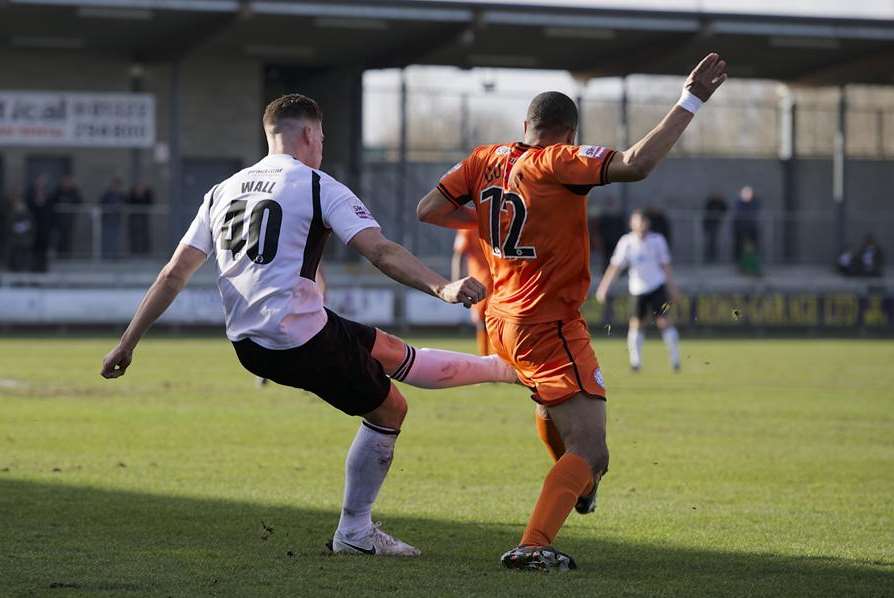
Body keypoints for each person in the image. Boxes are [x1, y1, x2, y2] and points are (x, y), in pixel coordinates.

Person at [100, 94, 518, 558]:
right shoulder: (318, 185)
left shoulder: (223, 190)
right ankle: (355, 533)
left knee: (387, 350)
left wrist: (126, 343)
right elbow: (380, 251)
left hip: (252, 340)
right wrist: (442, 287)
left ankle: (508, 371)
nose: (321, 145)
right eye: (321, 137)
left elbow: (173, 273)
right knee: (389, 411)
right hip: (296, 337)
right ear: (309, 134)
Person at [417, 53, 727, 571]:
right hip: (549, 321)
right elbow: (635, 163)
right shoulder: (555, 160)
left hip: (503, 318)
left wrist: (486, 223)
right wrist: (689, 99)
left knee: (550, 407)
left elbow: (430, 209)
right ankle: (535, 542)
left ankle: (571, 487)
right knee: (593, 451)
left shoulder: (484, 157)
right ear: (567, 133)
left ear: (525, 126)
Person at [595, 210, 682, 372]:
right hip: (637, 289)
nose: (641, 225)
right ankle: (636, 362)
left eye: (643, 222)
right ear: (632, 224)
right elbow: (615, 266)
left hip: (657, 286)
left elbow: (665, 266)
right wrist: (604, 287)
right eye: (637, 222)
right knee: (636, 324)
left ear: (647, 223)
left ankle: (675, 359)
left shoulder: (657, 241)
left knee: (664, 322)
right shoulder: (626, 242)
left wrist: (672, 287)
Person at [452, 228, 494, 355]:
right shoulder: (468, 228)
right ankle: (486, 356)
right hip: (480, 282)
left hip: (501, 281)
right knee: (482, 322)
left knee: (498, 320)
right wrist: (456, 283)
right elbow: (459, 254)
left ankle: (498, 358)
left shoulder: (500, 220)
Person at [25, 174, 54, 272]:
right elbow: (28, 206)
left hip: (44, 226)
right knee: (33, 248)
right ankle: (33, 268)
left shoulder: (48, 194)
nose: (40, 183)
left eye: (42, 182)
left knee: (43, 249)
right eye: (39, 181)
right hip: (33, 225)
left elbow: (51, 207)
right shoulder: (30, 194)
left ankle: (43, 268)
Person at [50, 175, 83, 258]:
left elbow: (79, 201)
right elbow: (52, 200)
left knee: (68, 238)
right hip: (59, 220)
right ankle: (59, 255)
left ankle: (67, 256)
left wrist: (76, 189)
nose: (66, 184)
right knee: (59, 238)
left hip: (69, 220)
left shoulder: (74, 191)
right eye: (65, 182)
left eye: (68, 182)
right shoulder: (58, 191)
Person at [5, 189, 35, 272]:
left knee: (24, 258)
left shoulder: (28, 214)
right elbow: (10, 226)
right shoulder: (12, 214)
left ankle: (24, 269)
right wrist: (19, 227)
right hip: (14, 240)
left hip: (25, 240)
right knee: (14, 257)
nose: (19, 205)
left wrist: (22, 227)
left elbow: (31, 226)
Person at [100, 177, 127, 259]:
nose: (115, 187)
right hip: (107, 220)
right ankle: (106, 255)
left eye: (117, 185)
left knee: (117, 238)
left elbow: (125, 205)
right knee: (107, 238)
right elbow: (101, 204)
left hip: (117, 220)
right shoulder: (106, 195)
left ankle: (115, 255)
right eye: (114, 185)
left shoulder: (122, 195)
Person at [732, 185, 760, 262]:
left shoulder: (755, 203)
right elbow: (738, 213)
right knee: (739, 246)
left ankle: (753, 262)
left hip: (751, 227)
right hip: (740, 228)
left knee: (753, 245)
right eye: (745, 193)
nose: (747, 195)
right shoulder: (738, 203)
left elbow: (755, 212)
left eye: (748, 193)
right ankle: (739, 261)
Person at [127, 181, 154, 256]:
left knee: (144, 235)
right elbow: (129, 202)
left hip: (144, 219)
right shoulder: (132, 195)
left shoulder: (147, 194)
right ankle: (133, 253)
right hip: (134, 219)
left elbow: (150, 202)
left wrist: (146, 192)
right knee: (134, 235)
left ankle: (145, 253)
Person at [702, 193, 726, 263]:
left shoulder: (720, 203)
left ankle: (713, 257)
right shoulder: (710, 203)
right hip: (709, 224)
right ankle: (708, 257)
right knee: (709, 242)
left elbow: (725, 208)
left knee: (713, 242)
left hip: (716, 225)